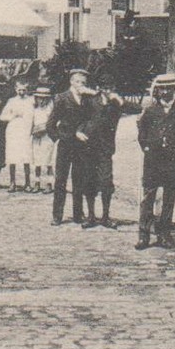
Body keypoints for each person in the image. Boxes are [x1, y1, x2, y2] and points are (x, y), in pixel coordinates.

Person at [135, 73, 175, 249]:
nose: (165, 92)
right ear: (158, 91)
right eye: (162, 89)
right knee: (148, 198)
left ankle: (164, 234)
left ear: (174, 90)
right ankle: (144, 235)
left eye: (169, 88)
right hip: (153, 161)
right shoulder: (150, 111)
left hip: (173, 162)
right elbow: (142, 134)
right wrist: (146, 147)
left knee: (169, 199)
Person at [48, 68, 95, 224]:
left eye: (83, 82)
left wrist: (83, 131)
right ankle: (57, 215)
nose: (80, 85)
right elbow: (51, 125)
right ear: (71, 81)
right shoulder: (61, 98)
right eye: (77, 81)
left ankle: (77, 214)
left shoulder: (87, 99)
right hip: (66, 145)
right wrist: (64, 137)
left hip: (81, 146)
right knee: (61, 180)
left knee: (79, 179)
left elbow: (90, 119)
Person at [77, 77, 123, 229]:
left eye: (111, 87)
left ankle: (105, 217)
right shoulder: (91, 101)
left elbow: (135, 108)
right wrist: (79, 131)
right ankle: (91, 216)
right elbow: (80, 117)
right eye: (105, 87)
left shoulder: (115, 103)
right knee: (89, 180)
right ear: (99, 87)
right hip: (89, 146)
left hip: (106, 148)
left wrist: (119, 100)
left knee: (106, 181)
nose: (108, 90)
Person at [0, 80, 36, 192]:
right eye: (19, 90)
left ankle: (28, 183)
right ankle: (12, 183)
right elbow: (2, 117)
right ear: (15, 89)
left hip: (26, 131)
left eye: (24, 90)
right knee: (13, 157)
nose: (21, 92)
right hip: (14, 131)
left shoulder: (31, 101)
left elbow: (35, 115)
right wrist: (13, 115)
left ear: (27, 90)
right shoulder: (11, 101)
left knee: (26, 157)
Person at [29, 85, 55, 193]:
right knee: (37, 162)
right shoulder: (34, 110)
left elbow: (53, 123)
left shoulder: (50, 110)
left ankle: (49, 184)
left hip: (47, 137)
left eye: (44, 98)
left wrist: (44, 129)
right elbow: (30, 123)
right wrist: (33, 131)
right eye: (39, 98)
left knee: (48, 162)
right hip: (36, 138)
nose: (42, 100)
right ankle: (37, 183)